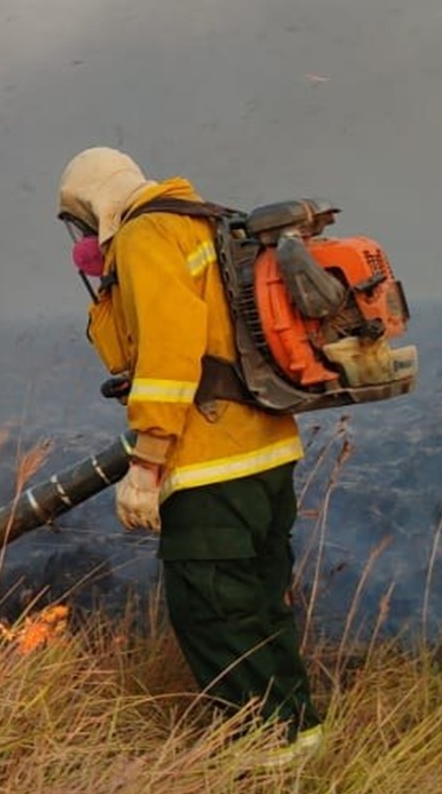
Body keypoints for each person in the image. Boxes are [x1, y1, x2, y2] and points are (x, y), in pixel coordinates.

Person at [56, 147, 325, 761]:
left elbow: (170, 356)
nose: (83, 243)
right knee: (259, 607)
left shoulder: (147, 233)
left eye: (80, 220)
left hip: (208, 463)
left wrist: (146, 465)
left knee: (212, 613)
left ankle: (264, 757)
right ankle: (302, 738)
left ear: (96, 203)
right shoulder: (203, 220)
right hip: (266, 454)